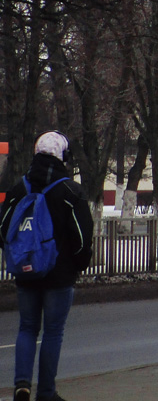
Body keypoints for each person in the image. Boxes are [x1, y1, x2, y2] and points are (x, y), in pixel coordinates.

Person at [0, 132, 93, 401]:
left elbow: (3, 230)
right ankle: (46, 393)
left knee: (27, 328)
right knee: (53, 332)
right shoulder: (70, 192)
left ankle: (21, 386)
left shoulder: (19, 189)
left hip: (25, 273)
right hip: (59, 276)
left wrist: (19, 256)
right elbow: (82, 238)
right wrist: (78, 265)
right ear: (63, 156)